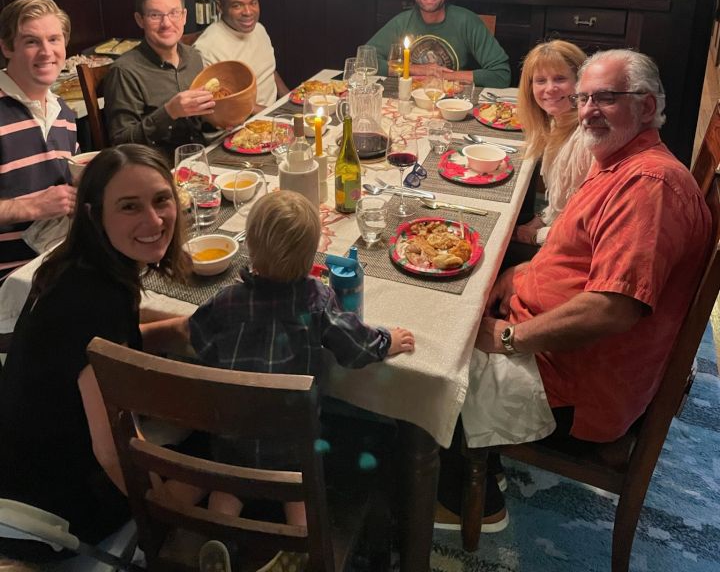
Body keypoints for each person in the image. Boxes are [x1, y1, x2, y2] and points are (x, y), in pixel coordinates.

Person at [440, 49, 713, 530]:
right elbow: (576, 251)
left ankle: (471, 503)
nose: (587, 110)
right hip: (555, 347)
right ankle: (480, 456)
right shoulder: (618, 160)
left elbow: (611, 310)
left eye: (606, 98)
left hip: (571, 383)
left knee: (432, 362)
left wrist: (508, 338)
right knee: (464, 289)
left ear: (647, 107)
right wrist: (521, 275)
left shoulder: (649, 187)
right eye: (584, 98)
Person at [168, 190, 414, 536]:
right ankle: (304, 547)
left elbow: (200, 342)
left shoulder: (227, 301)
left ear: (250, 247)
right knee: (301, 500)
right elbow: (355, 348)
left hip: (233, 444)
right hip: (295, 450)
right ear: (313, 254)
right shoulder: (317, 300)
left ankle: (220, 540)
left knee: (226, 493)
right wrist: (388, 340)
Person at [0, 144, 189, 557]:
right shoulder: (94, 300)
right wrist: (163, 518)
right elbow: (111, 451)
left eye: (161, 200)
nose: (154, 220)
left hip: (19, 466)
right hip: (52, 507)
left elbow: (103, 348)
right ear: (92, 214)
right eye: (129, 207)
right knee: (207, 450)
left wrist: (177, 330)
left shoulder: (75, 266)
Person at [0, 0, 78, 281]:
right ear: (7, 47)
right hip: (11, 281)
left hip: (58, 262)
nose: (47, 52)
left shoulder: (63, 112)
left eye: (54, 39)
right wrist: (31, 206)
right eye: (32, 42)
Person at [103, 0, 216, 157]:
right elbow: (121, 144)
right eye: (155, 15)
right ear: (140, 20)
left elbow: (201, 123)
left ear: (184, 16)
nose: (166, 23)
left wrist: (222, 117)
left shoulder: (194, 57)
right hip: (156, 167)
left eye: (174, 13)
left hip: (200, 158)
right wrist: (169, 112)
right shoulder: (124, 71)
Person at [366, 0, 510, 87]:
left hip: (454, 102)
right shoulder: (401, 22)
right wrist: (416, 69)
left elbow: (501, 74)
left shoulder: (467, 21)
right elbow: (366, 61)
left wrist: (444, 76)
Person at [513, 40, 592, 246]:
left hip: (574, 247)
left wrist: (535, 236)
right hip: (557, 229)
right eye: (540, 81)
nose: (550, 88)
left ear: (581, 82)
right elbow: (562, 204)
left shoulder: (586, 140)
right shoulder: (557, 122)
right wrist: (541, 219)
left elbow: (585, 226)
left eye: (560, 78)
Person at [194, 0, 288, 110]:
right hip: (246, 120)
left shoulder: (259, 29)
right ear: (220, 7)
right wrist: (272, 114)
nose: (248, 12)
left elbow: (269, 71)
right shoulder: (207, 48)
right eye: (237, 5)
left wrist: (290, 99)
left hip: (273, 112)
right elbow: (220, 104)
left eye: (253, 3)